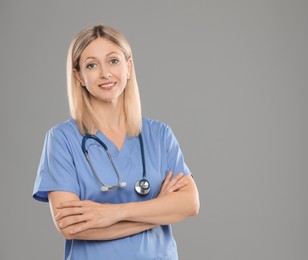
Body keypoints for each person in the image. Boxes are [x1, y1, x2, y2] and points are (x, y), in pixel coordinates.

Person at [32, 24, 199, 260]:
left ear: (128, 66)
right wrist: (158, 209)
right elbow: (70, 226)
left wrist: (112, 213)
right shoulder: (62, 139)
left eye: (113, 61)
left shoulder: (159, 134)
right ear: (78, 75)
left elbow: (189, 203)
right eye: (91, 65)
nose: (105, 73)